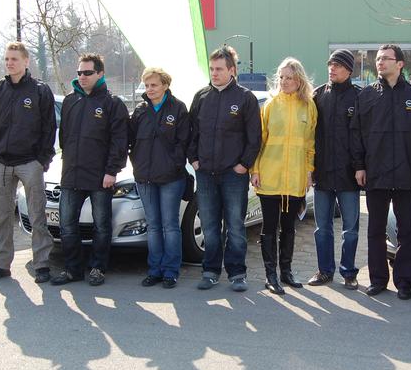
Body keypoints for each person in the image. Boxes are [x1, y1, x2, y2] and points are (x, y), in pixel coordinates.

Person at [351, 44, 411, 299]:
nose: (380, 62)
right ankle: (378, 280)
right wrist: (360, 165)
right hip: (376, 173)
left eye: (386, 58)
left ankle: (404, 282)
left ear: (400, 64)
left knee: (406, 232)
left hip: (406, 173)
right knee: (375, 231)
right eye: (378, 59)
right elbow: (357, 134)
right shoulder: (367, 95)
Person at [0, 42, 57, 284]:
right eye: (7, 59)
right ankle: (0, 264)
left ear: (26, 61)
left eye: (14, 59)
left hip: (30, 163)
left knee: (37, 215)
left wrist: (42, 159)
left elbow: (49, 127)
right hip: (1, 162)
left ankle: (41, 264)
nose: (9, 63)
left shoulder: (39, 91)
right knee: (2, 216)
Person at [48, 54, 128, 287]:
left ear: (100, 74)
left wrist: (112, 171)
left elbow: (119, 141)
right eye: (79, 73)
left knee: (101, 225)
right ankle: (72, 269)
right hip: (71, 174)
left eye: (87, 73)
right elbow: (64, 137)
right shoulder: (71, 101)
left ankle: (97, 268)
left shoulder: (112, 103)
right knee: (67, 224)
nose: (82, 77)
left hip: (100, 176)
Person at [188, 45, 262, 292]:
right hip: (205, 174)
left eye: (219, 69)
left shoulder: (245, 98)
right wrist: (194, 159)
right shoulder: (201, 97)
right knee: (210, 226)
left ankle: (237, 273)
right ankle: (210, 271)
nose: (214, 73)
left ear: (232, 70)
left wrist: (244, 165)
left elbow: (254, 137)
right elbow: (191, 132)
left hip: (233, 175)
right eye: (212, 69)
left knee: (235, 226)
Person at [251, 58, 317, 295]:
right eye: (281, 77)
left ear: (299, 80)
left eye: (289, 77)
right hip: (270, 175)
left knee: (289, 227)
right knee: (269, 227)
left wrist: (309, 171)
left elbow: (310, 143)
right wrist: (255, 170)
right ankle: (270, 275)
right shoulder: (270, 105)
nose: (284, 81)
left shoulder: (308, 106)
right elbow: (259, 140)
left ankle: (286, 272)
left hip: (295, 178)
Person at [128, 67, 190, 289]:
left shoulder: (178, 108)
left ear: (165, 85)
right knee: (153, 225)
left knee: (170, 225)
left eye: (154, 85)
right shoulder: (140, 111)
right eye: (146, 85)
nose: (150, 89)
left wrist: (174, 164)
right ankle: (154, 270)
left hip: (171, 178)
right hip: (145, 177)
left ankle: (171, 271)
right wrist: (136, 162)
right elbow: (130, 139)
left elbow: (184, 142)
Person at [308, 49, 361, 290]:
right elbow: (309, 135)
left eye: (338, 65)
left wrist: (360, 167)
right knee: (322, 229)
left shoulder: (359, 96)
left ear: (349, 70)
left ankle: (349, 272)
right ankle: (324, 271)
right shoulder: (318, 95)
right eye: (330, 64)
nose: (332, 69)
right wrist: (310, 168)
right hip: (323, 173)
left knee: (350, 229)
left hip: (349, 175)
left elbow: (361, 137)